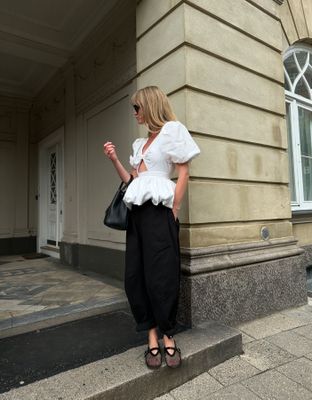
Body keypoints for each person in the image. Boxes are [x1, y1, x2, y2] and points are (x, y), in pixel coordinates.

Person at [103, 86, 200, 369]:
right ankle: (151, 335)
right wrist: (114, 160)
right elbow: (132, 180)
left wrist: (175, 208)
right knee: (136, 275)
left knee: (162, 275)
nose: (134, 113)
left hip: (160, 214)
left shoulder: (172, 131)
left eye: (137, 108)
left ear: (149, 105)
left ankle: (168, 334)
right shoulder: (139, 144)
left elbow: (184, 173)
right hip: (137, 217)